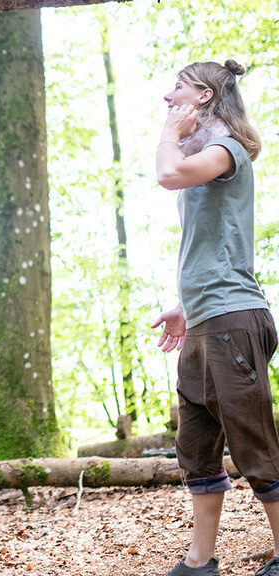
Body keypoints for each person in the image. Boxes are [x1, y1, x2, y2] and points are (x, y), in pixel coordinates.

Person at [151, 59, 279, 576]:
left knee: (255, 447)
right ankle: (200, 560)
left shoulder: (224, 150)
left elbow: (167, 174)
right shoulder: (209, 153)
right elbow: (215, 241)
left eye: (177, 90)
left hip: (234, 320)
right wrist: (184, 306)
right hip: (206, 320)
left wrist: (168, 133)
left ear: (204, 96)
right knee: (197, 448)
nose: (167, 99)